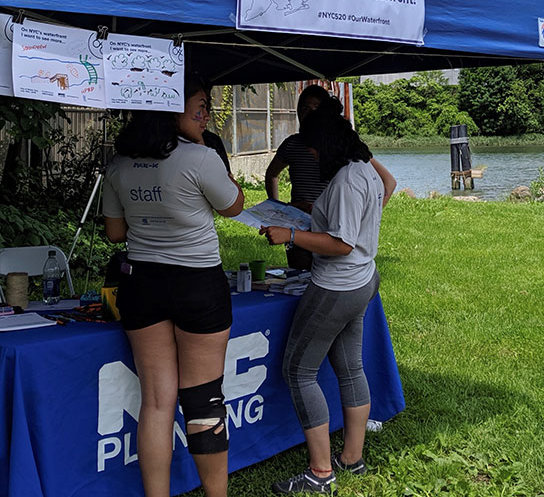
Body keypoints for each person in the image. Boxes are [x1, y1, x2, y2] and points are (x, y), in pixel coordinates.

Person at [102, 77, 244, 497]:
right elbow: (234, 206)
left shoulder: (119, 164)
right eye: (200, 105)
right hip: (197, 283)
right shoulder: (200, 159)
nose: (206, 115)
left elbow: (114, 234)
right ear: (168, 107)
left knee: (157, 403)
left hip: (142, 283)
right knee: (202, 401)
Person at [261, 99, 385, 495]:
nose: (311, 159)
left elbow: (342, 243)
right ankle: (352, 458)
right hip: (362, 280)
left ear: (326, 145)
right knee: (350, 368)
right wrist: (319, 212)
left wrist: (292, 235)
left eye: (313, 151)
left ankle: (320, 473)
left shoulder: (349, 179)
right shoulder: (362, 169)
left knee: (298, 372)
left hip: (338, 285)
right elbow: (366, 207)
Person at [265, 85, 395, 269]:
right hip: (300, 225)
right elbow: (272, 174)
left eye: (315, 109)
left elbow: (388, 182)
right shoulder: (292, 144)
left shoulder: (346, 150)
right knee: (298, 278)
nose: (309, 114)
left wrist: (363, 218)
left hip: (333, 232)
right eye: (304, 109)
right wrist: (278, 209)